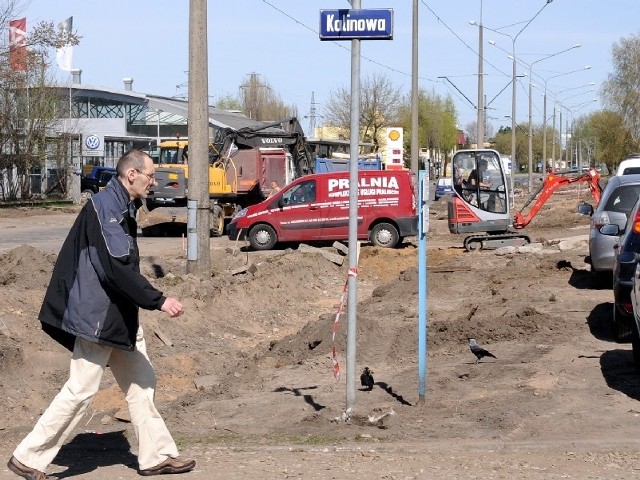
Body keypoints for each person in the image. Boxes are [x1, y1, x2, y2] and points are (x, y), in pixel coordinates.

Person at [7, 150, 196, 479]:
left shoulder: (121, 205)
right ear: (132, 175)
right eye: (151, 175)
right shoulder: (107, 207)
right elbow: (116, 269)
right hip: (98, 318)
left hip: (117, 317)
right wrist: (158, 300)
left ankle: (157, 456)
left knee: (142, 382)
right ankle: (28, 456)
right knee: (81, 389)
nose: (155, 181)